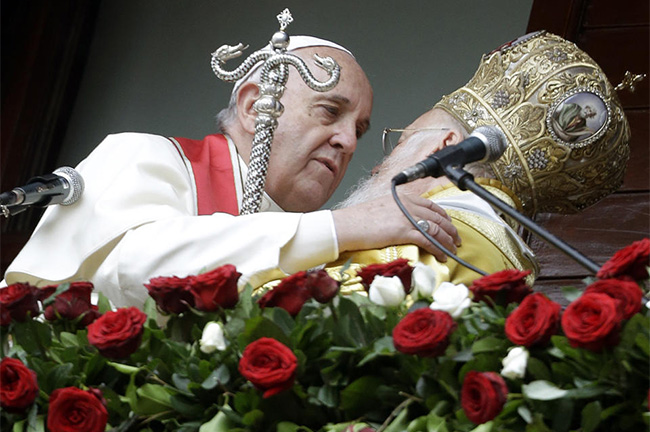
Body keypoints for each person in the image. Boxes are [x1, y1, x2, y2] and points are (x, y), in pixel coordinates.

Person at [2, 36, 460, 308]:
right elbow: (137, 267)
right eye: (329, 111)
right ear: (254, 106)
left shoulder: (324, 253)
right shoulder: (143, 156)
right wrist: (341, 226)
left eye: (358, 129)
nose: (348, 141)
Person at [324, 31, 631, 292]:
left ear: (444, 147)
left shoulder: (415, 237)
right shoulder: (507, 267)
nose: (377, 168)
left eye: (399, 142)